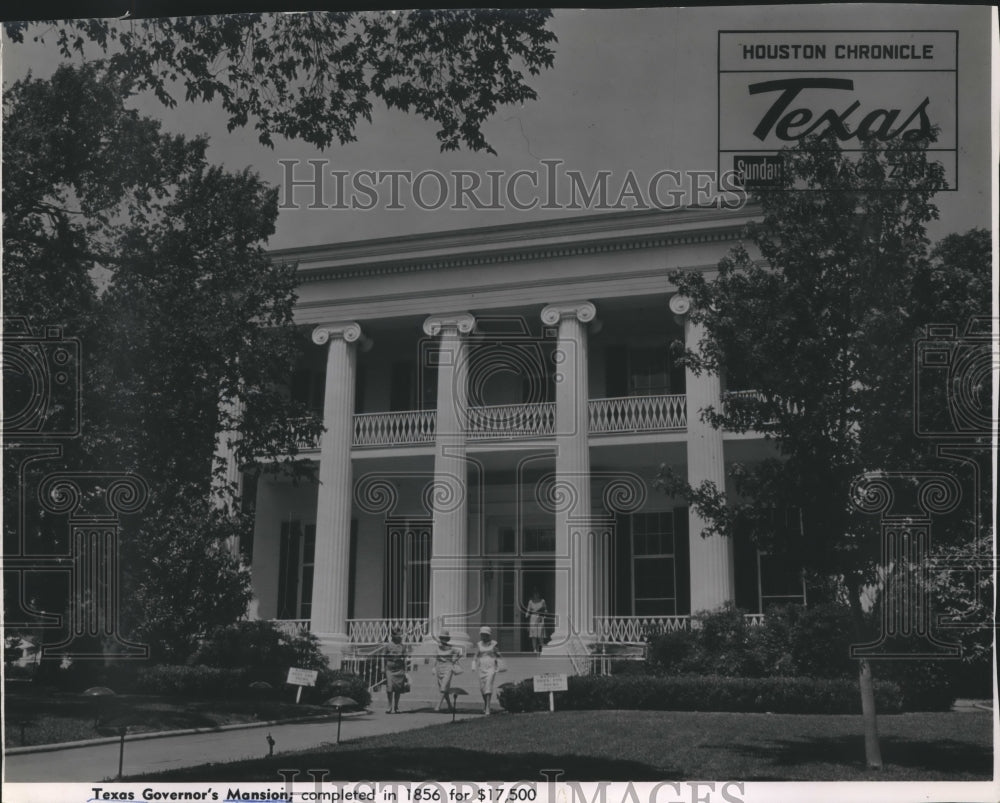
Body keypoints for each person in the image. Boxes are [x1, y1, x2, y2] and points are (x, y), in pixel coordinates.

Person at [367, 625, 409, 713]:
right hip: (390, 668)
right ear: (392, 636)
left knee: (398, 688)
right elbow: (383, 657)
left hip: (399, 669)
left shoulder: (403, 646)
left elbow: (405, 658)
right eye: (397, 636)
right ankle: (389, 706)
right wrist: (382, 667)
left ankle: (396, 706)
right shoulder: (388, 645)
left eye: (399, 636)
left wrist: (406, 670)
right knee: (389, 688)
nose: (398, 637)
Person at [471, 626, 503, 715]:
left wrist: (498, 654)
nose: (483, 636)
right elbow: (476, 655)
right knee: (482, 688)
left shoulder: (494, 643)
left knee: (488, 685)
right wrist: (473, 663)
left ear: (488, 635)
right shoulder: (479, 644)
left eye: (485, 635)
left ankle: (488, 707)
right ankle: (486, 705)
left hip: (491, 666)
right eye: (482, 635)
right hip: (481, 667)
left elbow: (498, 655)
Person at [431, 628, 464, 712]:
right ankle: (450, 706)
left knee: (443, 687)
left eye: (445, 638)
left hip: (448, 668)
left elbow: (461, 653)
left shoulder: (451, 648)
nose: (443, 640)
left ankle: (438, 706)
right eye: (442, 638)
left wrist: (454, 660)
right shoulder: (437, 648)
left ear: (447, 639)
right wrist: (433, 668)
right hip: (439, 668)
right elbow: (435, 658)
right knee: (444, 689)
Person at [524, 588, 548, 654]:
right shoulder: (531, 601)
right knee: (533, 635)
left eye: (537, 593)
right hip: (533, 618)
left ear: (539, 594)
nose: (536, 595)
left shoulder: (542, 601)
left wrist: (543, 616)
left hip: (540, 618)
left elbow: (545, 610)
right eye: (535, 594)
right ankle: (534, 650)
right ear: (533, 594)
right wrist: (526, 615)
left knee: (540, 635)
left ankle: (540, 650)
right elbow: (528, 610)